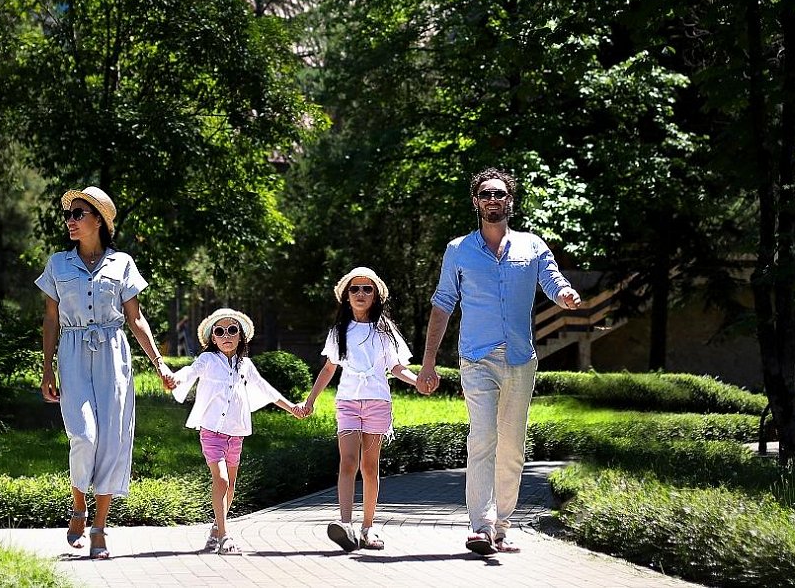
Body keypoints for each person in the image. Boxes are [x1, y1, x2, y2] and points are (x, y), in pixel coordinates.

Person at [415, 168, 581, 556]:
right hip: (477, 358)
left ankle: (502, 527)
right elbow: (443, 303)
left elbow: (552, 280)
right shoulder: (459, 249)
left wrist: (565, 294)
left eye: (500, 194)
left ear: (510, 201)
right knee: (483, 438)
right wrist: (428, 362)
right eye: (486, 194)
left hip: (521, 360)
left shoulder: (532, 246)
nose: (493, 199)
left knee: (513, 448)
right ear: (476, 202)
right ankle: (481, 525)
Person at [37, 186, 176, 560]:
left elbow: (136, 318)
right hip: (72, 351)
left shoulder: (122, 263)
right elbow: (50, 319)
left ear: (98, 220)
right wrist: (47, 368)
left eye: (78, 214)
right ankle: (78, 504)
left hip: (113, 353)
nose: (70, 221)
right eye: (68, 215)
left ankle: (99, 527)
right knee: (83, 435)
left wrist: (159, 363)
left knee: (113, 439)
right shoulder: (57, 264)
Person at [297, 267, 419, 552]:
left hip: (377, 403)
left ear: (376, 295)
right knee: (348, 461)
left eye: (367, 289)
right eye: (355, 289)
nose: (361, 293)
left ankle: (368, 528)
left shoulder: (385, 331)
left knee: (370, 466)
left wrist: (418, 382)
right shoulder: (339, 331)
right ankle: (345, 525)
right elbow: (329, 368)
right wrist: (310, 400)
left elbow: (396, 367)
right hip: (348, 403)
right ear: (346, 296)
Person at [172, 308, 305, 555]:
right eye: (220, 331)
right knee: (221, 480)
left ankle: (216, 529)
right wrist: (174, 379)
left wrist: (292, 408)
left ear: (241, 336)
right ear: (213, 338)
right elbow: (190, 372)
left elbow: (266, 390)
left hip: (236, 433)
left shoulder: (246, 365)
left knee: (231, 484)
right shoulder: (208, 360)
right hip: (211, 431)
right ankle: (225, 536)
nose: (226, 336)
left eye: (232, 330)